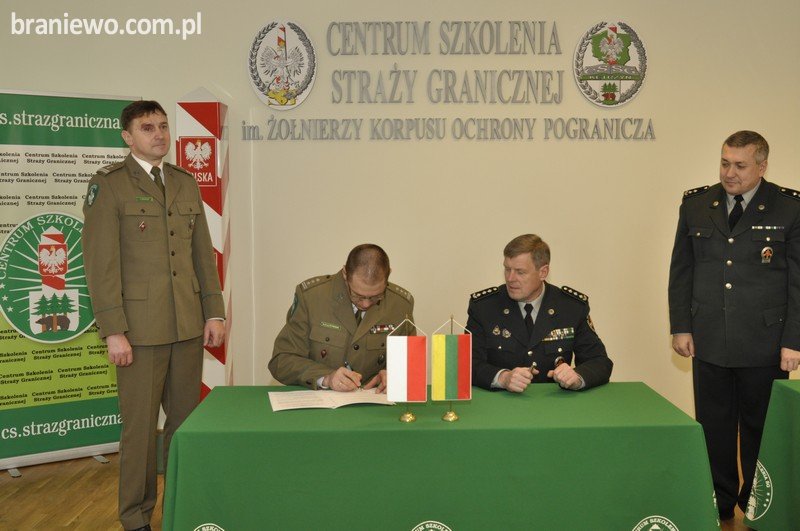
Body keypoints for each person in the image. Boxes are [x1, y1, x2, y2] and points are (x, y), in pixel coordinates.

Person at [82, 100, 225, 531]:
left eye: (163, 126)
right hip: (139, 333)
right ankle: (136, 518)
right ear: (127, 137)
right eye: (147, 128)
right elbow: (100, 265)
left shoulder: (183, 182)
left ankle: (180, 508)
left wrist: (214, 312)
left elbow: (202, 255)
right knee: (140, 432)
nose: (159, 134)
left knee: (184, 426)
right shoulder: (109, 185)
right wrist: (113, 330)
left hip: (186, 326)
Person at [668, 130, 800, 521]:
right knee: (713, 427)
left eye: (740, 165)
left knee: (760, 428)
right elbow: (681, 270)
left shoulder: (788, 208)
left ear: (762, 166)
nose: (730, 173)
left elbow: (798, 281)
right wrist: (681, 326)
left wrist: (794, 340)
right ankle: (719, 502)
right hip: (708, 338)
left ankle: (758, 506)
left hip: (765, 341)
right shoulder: (696, 205)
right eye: (725, 163)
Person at [468, 234, 612, 393]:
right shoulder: (484, 308)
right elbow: (467, 364)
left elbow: (600, 362)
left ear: (543, 272)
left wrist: (577, 377)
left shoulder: (571, 308)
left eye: (520, 272)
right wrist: (502, 378)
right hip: (501, 403)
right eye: (507, 269)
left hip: (554, 404)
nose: (510, 278)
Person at [269, 244, 414, 392]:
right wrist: (326, 378)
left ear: (389, 274)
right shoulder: (312, 298)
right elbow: (282, 360)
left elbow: (411, 365)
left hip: (374, 401)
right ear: (345, 273)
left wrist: (396, 375)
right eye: (357, 295)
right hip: (320, 400)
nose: (365, 304)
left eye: (375, 296)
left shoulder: (401, 306)